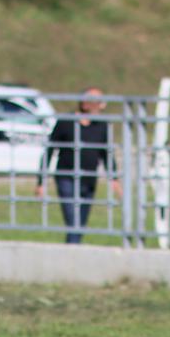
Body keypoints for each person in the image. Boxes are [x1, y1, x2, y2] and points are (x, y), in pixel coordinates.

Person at [36, 88, 118, 244]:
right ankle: (72, 254)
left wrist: (114, 178)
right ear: (86, 104)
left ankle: (71, 252)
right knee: (73, 223)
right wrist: (41, 181)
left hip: (89, 180)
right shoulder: (66, 122)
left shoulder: (101, 126)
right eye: (98, 102)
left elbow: (107, 153)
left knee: (80, 224)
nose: (102, 106)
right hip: (66, 178)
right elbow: (50, 150)